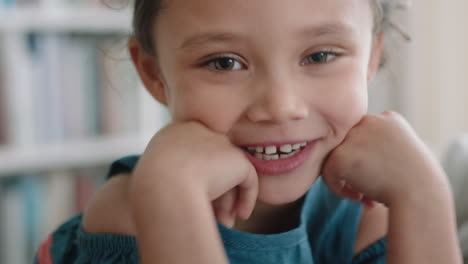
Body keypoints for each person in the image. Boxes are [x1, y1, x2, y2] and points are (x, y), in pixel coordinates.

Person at [35, 0, 462, 263]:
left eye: (321, 56)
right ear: (153, 73)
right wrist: (170, 199)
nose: (280, 106)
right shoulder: (129, 212)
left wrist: (423, 194)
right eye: (224, 62)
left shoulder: (367, 213)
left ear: (371, 58)